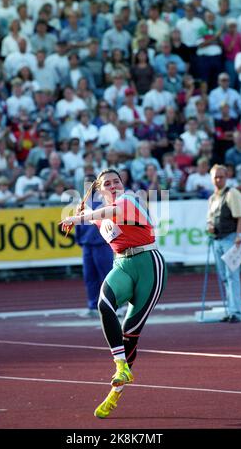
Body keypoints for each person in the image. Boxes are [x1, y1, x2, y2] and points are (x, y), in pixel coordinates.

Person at [60, 168, 166, 418]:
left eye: (116, 181)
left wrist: (78, 218)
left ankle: (114, 394)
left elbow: (113, 212)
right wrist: (82, 216)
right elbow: (99, 217)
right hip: (122, 265)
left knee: (130, 334)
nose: (113, 185)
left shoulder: (129, 199)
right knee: (104, 303)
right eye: (107, 183)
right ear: (99, 190)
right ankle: (120, 365)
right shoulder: (98, 215)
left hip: (148, 265)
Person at [207, 164, 241, 323]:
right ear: (212, 179)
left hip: (230, 239)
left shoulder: (233, 193)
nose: (218, 180)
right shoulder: (212, 198)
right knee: (224, 277)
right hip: (217, 240)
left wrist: (239, 236)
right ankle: (231, 309)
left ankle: (236, 311)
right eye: (216, 177)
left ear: (226, 177)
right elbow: (210, 219)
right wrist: (209, 226)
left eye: (221, 176)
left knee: (232, 276)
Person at [75, 177, 114, 316]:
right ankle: (92, 306)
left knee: (107, 276)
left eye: (91, 185)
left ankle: (115, 306)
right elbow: (78, 222)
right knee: (89, 276)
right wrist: (79, 239)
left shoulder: (105, 200)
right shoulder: (82, 203)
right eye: (86, 185)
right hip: (87, 245)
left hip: (102, 244)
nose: (88, 188)